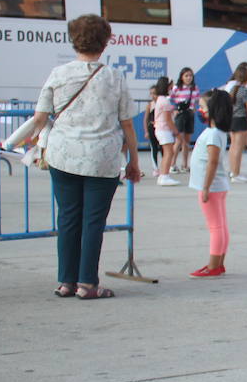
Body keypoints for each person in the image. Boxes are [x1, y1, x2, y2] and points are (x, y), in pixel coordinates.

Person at [23, 15, 142, 299]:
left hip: (63, 155)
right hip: (102, 159)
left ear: (74, 40)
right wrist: (134, 162)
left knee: (67, 218)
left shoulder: (58, 74)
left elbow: (40, 117)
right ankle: (87, 284)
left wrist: (29, 141)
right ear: (105, 42)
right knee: (93, 222)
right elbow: (127, 124)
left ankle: (66, 281)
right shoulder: (115, 78)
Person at [188, 89, 233, 277]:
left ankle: (213, 266)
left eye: (202, 107)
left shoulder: (214, 134)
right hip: (217, 186)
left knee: (215, 227)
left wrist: (205, 187)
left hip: (211, 187)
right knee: (220, 225)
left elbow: (213, 161)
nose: (200, 110)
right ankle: (219, 263)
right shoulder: (216, 132)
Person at [223, 63, 247, 182]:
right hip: (241, 120)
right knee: (239, 148)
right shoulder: (245, 91)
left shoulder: (232, 90)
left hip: (232, 120)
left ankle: (233, 171)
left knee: (233, 146)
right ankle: (236, 173)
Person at [169, 67, 200, 173]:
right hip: (180, 115)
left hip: (190, 114)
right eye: (186, 75)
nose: (189, 78)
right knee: (178, 140)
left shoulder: (194, 88)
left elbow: (197, 100)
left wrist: (195, 108)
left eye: (190, 75)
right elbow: (171, 100)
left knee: (187, 141)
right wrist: (174, 110)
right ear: (181, 77)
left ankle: (185, 164)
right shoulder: (177, 88)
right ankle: (172, 164)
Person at [151, 76, 180, 186]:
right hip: (164, 130)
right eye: (171, 85)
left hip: (160, 129)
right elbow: (168, 120)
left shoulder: (160, 99)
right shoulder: (165, 101)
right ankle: (164, 176)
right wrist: (176, 132)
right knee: (169, 152)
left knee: (168, 152)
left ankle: (163, 175)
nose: (172, 87)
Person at [144, 83, 163, 175]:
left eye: (155, 93)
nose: (153, 95)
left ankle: (164, 167)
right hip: (152, 128)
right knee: (154, 148)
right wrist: (146, 131)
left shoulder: (162, 102)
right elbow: (146, 119)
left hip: (161, 127)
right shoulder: (150, 105)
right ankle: (155, 168)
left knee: (163, 148)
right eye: (151, 93)